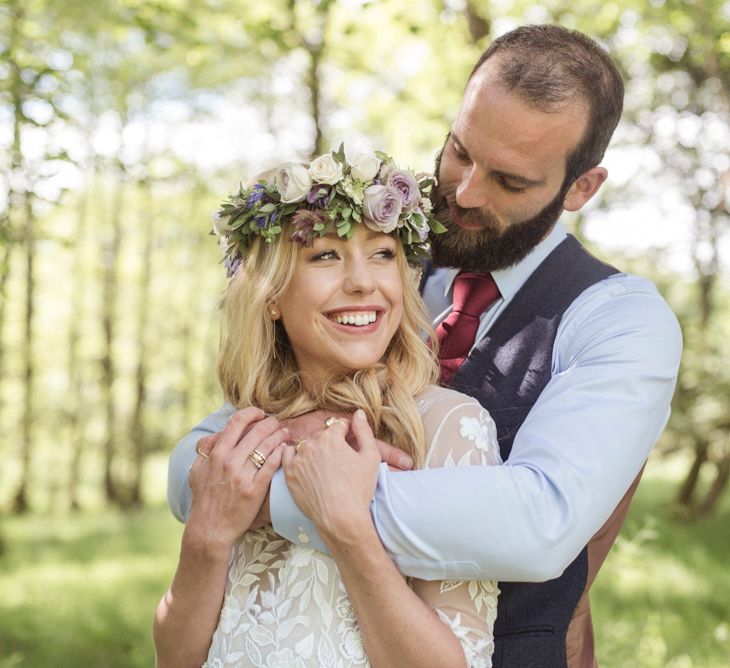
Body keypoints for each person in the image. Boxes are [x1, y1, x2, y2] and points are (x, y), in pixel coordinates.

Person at [168, 25, 683, 667]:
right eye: (460, 151)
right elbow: (195, 462)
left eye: (510, 181)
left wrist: (290, 490)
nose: (465, 193)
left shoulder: (620, 319)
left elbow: (537, 526)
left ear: (581, 187)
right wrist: (229, 481)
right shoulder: (379, 268)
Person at [154, 149, 504, 668]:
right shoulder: (240, 433)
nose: (364, 282)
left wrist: (347, 527)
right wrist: (208, 534)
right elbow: (175, 660)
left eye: (382, 254)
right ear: (270, 294)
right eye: (325, 255)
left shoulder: (451, 426)